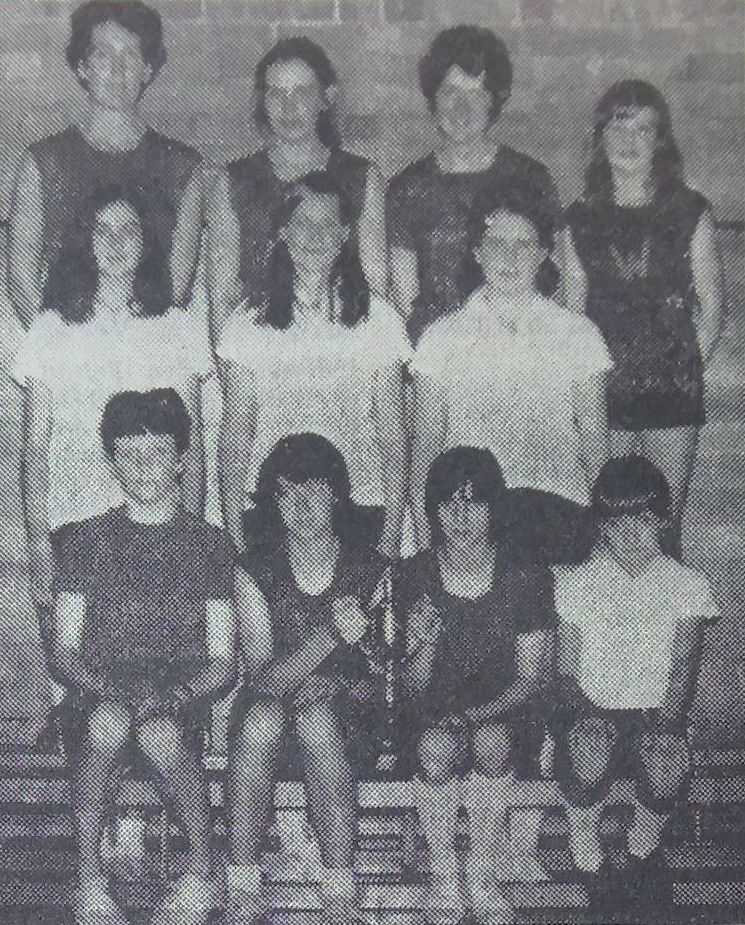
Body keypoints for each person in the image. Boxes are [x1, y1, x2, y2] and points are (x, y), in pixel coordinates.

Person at [50, 390, 236, 924]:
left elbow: (222, 661)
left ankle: (203, 874)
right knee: (107, 725)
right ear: (111, 462)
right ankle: (89, 881)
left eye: (159, 452)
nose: (145, 467)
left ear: (181, 458)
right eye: (130, 454)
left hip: (175, 692)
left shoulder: (209, 543)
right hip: (99, 688)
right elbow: (62, 652)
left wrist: (173, 695)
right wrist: (104, 689)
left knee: (158, 732)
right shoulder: (86, 539)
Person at [14, 183, 211, 613]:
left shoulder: (178, 327)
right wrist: (38, 547)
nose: (116, 243)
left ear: (147, 242)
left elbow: (191, 446)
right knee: (79, 666)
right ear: (85, 242)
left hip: (158, 528)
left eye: (129, 230)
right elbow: (34, 450)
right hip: (75, 522)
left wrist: (191, 538)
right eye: (102, 231)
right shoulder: (51, 329)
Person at [226, 434, 386, 924]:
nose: (300, 504)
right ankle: (243, 881)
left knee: (316, 717)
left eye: (313, 489)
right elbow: (262, 680)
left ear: (336, 494)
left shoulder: (371, 568)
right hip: (269, 718)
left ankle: (339, 886)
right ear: (273, 501)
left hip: (350, 722)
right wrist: (329, 637)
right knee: (263, 719)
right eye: (286, 492)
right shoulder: (256, 569)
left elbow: (386, 674)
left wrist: (336, 684)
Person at [563, 80, 725, 555]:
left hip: (670, 393)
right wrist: (581, 391)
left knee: (662, 527)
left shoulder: (690, 211)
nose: (630, 142)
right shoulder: (579, 219)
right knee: (608, 524)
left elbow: (713, 306)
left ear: (660, 140)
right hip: (604, 393)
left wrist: (686, 366)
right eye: (618, 127)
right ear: (600, 138)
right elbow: (573, 316)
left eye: (643, 129)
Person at [396, 447, 556, 924]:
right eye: (447, 503)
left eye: (474, 502)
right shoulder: (414, 574)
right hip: (432, 720)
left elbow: (531, 680)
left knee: (490, 740)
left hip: (506, 716)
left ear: (494, 508)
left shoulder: (527, 575)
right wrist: (421, 642)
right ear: (432, 511)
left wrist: (471, 717)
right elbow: (412, 693)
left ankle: (483, 873)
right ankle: (445, 874)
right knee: (433, 747)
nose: (460, 516)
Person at [217, 171, 409, 558]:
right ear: (283, 232)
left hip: (359, 506)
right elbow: (236, 434)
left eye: (328, 224)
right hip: (271, 508)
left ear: (344, 235)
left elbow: (391, 435)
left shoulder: (380, 321)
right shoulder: (247, 321)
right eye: (303, 223)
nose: (315, 235)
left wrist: (389, 538)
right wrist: (236, 535)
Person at [409, 187, 612, 549]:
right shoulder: (440, 338)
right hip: (469, 522)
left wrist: (604, 532)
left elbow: (595, 443)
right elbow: (426, 447)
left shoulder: (579, 334)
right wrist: (426, 534)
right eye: (497, 243)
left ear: (543, 255)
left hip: (559, 513)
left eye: (524, 245)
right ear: (477, 252)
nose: (510, 256)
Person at [551, 456, 719, 879]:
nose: (628, 533)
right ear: (601, 525)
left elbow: (683, 667)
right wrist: (584, 718)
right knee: (588, 748)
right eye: (615, 521)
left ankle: (643, 846)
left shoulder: (688, 584)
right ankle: (584, 837)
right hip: (593, 710)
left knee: (667, 761)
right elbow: (567, 671)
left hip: (654, 713)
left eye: (641, 519)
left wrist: (666, 727)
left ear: (662, 521)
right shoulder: (578, 583)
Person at [9, 0, 204, 328]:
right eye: (103, 54)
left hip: (152, 350)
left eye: (130, 54)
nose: (117, 70)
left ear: (147, 69)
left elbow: (178, 288)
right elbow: (20, 277)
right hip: (67, 355)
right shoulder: (43, 161)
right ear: (82, 67)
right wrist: (56, 353)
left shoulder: (182, 166)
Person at [387, 25, 561, 343]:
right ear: (433, 99)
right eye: (450, 93)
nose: (462, 109)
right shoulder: (407, 188)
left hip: (519, 350)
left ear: (494, 102)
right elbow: (405, 299)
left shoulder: (530, 177)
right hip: (438, 357)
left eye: (476, 94)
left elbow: (554, 277)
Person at [207, 36, 387, 338]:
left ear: (326, 97)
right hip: (259, 350)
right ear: (263, 102)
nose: (288, 107)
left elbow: (377, 287)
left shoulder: (361, 178)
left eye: (302, 92)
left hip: (344, 344)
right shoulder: (234, 182)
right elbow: (222, 295)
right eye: (276, 94)